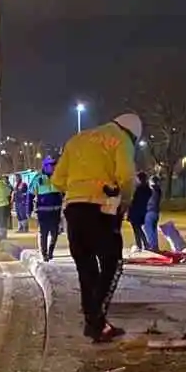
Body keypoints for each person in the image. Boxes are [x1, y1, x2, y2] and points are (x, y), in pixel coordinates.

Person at [52, 111, 140, 342]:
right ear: (132, 133)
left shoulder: (77, 139)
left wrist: (78, 189)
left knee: (86, 268)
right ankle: (95, 319)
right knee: (113, 264)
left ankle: (95, 325)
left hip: (73, 209)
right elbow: (127, 177)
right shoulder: (121, 139)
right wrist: (126, 201)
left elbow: (57, 180)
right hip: (101, 210)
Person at [32, 156, 64, 261]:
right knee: (44, 233)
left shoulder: (58, 178)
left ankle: (51, 252)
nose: (53, 167)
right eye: (51, 165)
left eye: (54, 165)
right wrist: (28, 209)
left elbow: (64, 192)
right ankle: (44, 254)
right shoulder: (38, 178)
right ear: (45, 166)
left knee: (55, 233)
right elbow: (30, 193)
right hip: (43, 212)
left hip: (56, 211)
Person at [127, 171, 152, 251]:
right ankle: (142, 244)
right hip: (142, 211)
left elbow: (133, 201)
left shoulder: (138, 189)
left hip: (135, 211)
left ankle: (143, 244)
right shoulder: (148, 190)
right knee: (138, 228)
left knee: (137, 229)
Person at [143, 171, 162, 251]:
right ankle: (155, 246)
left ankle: (152, 246)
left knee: (148, 229)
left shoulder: (152, 189)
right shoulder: (158, 190)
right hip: (156, 212)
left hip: (150, 211)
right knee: (153, 230)